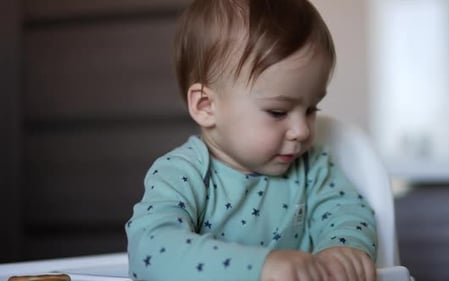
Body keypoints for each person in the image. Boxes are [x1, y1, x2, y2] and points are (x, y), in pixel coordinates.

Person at [125, 0, 377, 280]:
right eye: (278, 112)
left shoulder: (312, 168)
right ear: (207, 106)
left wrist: (342, 251)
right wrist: (262, 267)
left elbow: (346, 213)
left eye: (311, 109)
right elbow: (151, 249)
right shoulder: (182, 174)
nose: (302, 130)